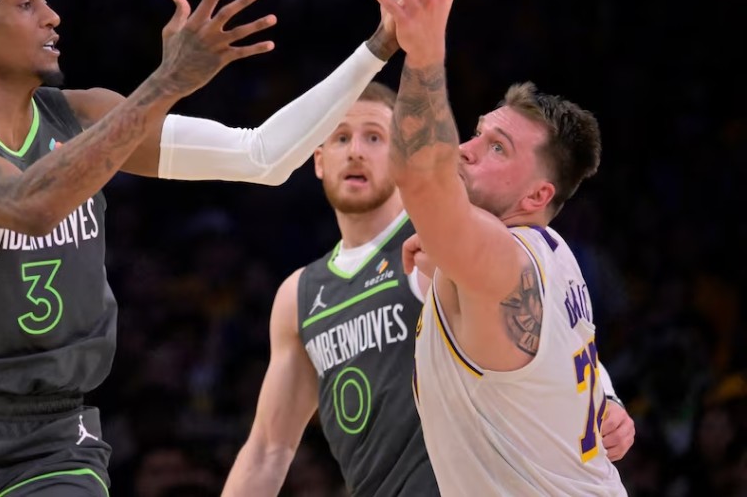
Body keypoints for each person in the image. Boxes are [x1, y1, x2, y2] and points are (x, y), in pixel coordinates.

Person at [0, 0, 462, 497]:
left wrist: (380, 45)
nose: (53, 16)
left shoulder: (84, 115)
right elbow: (26, 204)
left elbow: (263, 157)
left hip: (50, 438)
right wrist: (166, 82)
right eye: (26, 3)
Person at [221, 83, 634, 496]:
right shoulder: (301, 295)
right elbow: (268, 450)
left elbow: (544, 321)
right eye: (341, 137)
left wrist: (606, 398)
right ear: (318, 159)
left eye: (375, 137)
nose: (356, 152)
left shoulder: (455, 234)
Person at [372, 0, 630, 494]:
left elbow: (421, 179)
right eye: (477, 133)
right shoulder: (553, 257)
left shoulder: (506, 262)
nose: (465, 149)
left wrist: (423, 50)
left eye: (497, 149)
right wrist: (606, 398)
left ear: (537, 195)